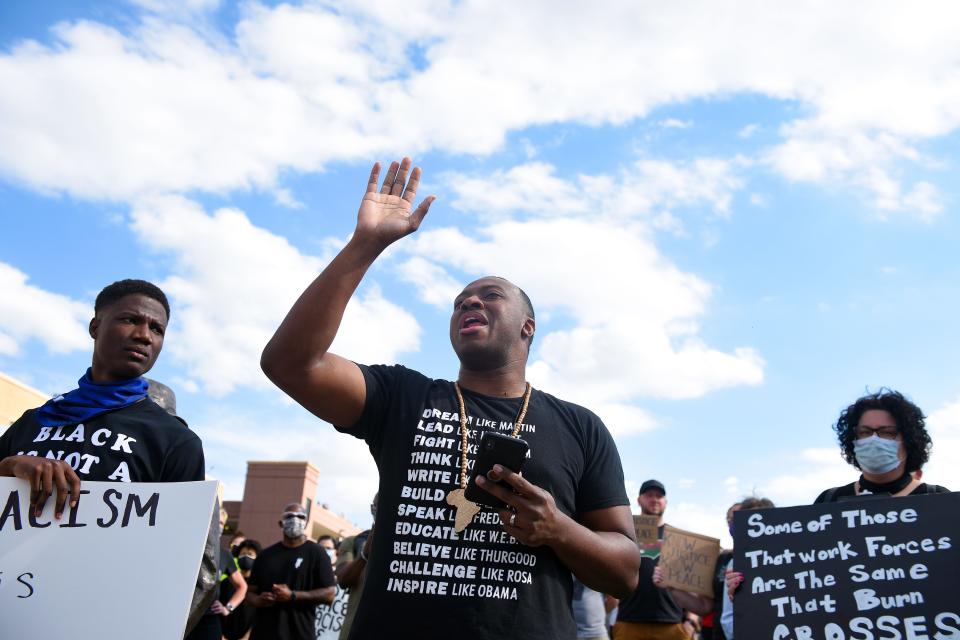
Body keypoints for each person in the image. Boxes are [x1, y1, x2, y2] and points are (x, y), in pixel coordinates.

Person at [261, 157, 640, 639]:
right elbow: (291, 364)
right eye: (460, 301)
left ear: (528, 327)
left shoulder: (580, 427)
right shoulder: (404, 397)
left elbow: (625, 573)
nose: (470, 302)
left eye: (490, 295)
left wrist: (558, 529)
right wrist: (366, 245)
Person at [0, 278, 204, 514]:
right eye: (131, 320)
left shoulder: (176, 442)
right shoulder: (31, 422)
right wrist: (9, 466)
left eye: (157, 329)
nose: (145, 336)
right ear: (95, 327)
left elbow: (182, 541)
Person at [814, 389, 949, 502]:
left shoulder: (939, 498)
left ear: (909, 440)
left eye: (887, 432)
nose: (874, 439)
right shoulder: (829, 500)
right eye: (865, 432)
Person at [246, 503, 337, 640]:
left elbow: (329, 594)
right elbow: (249, 594)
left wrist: (293, 595)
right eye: (289, 516)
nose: (295, 520)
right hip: (263, 633)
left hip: (300, 634)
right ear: (280, 523)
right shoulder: (265, 555)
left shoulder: (317, 553)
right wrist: (258, 600)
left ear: (306, 523)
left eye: (300, 516)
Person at [613, 480, 685, 640]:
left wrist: (692, 621)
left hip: (671, 622)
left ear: (665, 502)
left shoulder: (678, 537)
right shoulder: (626, 531)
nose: (654, 499)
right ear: (639, 500)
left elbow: (691, 581)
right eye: (649, 495)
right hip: (629, 620)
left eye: (659, 496)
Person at [188, 508, 249, 640]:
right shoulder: (189, 548)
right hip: (184, 617)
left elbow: (242, 587)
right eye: (214, 519)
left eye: (221, 522)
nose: (217, 524)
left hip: (208, 619)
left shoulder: (225, 554)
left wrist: (228, 608)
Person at [335, 495, 376, 640]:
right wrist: (365, 554)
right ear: (373, 509)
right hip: (355, 629)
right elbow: (343, 580)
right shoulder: (354, 542)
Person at [224, 539, 263, 640]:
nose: (246, 557)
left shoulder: (260, 586)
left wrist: (248, 636)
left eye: (250, 554)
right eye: (243, 554)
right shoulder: (227, 582)